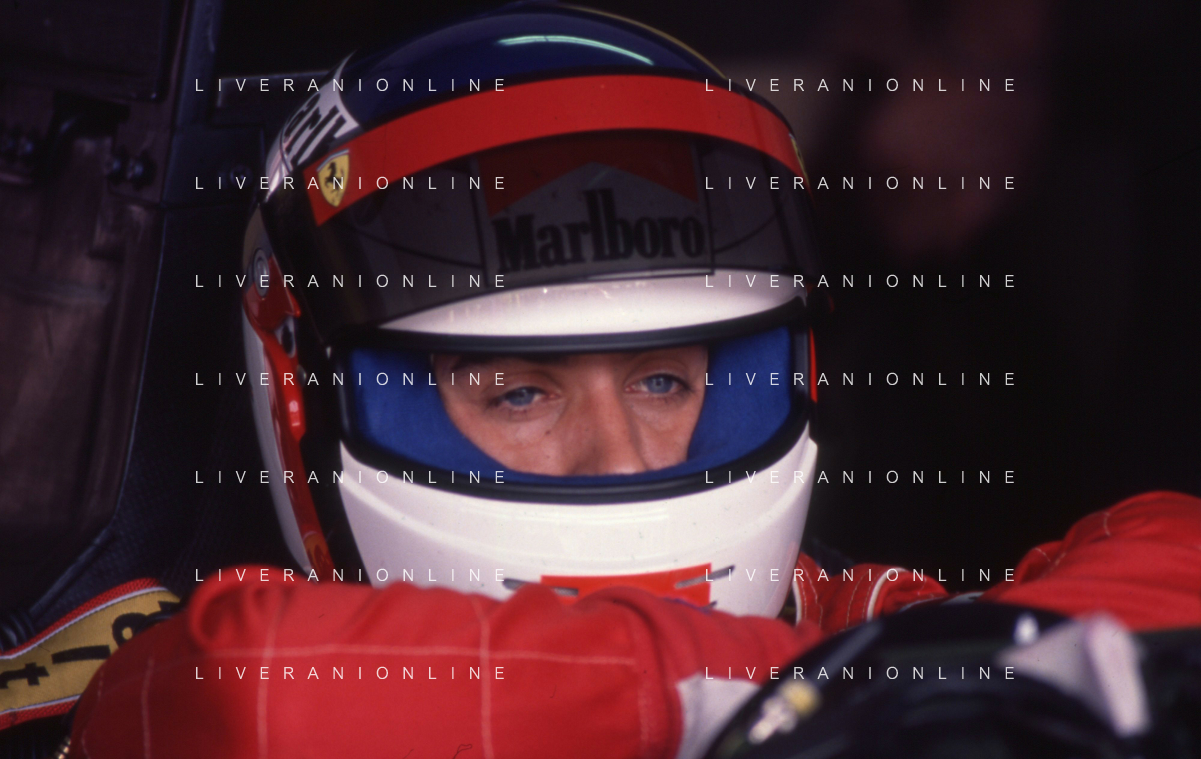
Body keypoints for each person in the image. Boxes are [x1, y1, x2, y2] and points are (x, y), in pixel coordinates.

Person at [66, 5, 1201, 758]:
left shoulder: (849, 616)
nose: (618, 458)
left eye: (663, 381)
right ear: (305, 398)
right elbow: (247, 687)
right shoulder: (161, 665)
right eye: (519, 392)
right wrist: (824, 694)